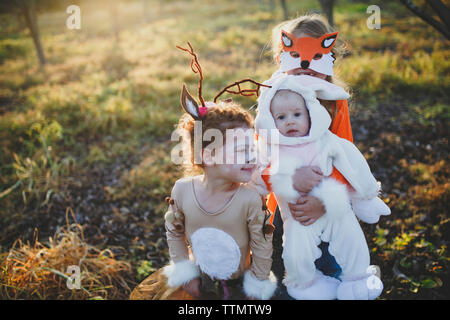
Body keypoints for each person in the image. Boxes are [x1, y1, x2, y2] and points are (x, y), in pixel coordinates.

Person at [260, 14, 390, 298]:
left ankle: (342, 277)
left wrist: (326, 200)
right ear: (282, 57)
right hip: (287, 202)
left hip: (331, 199)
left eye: (315, 59)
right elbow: (261, 155)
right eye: (296, 58)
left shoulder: (335, 103)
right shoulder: (273, 100)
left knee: (336, 253)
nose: (306, 68)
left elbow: (346, 156)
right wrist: (291, 177)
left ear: (329, 57)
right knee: (294, 252)